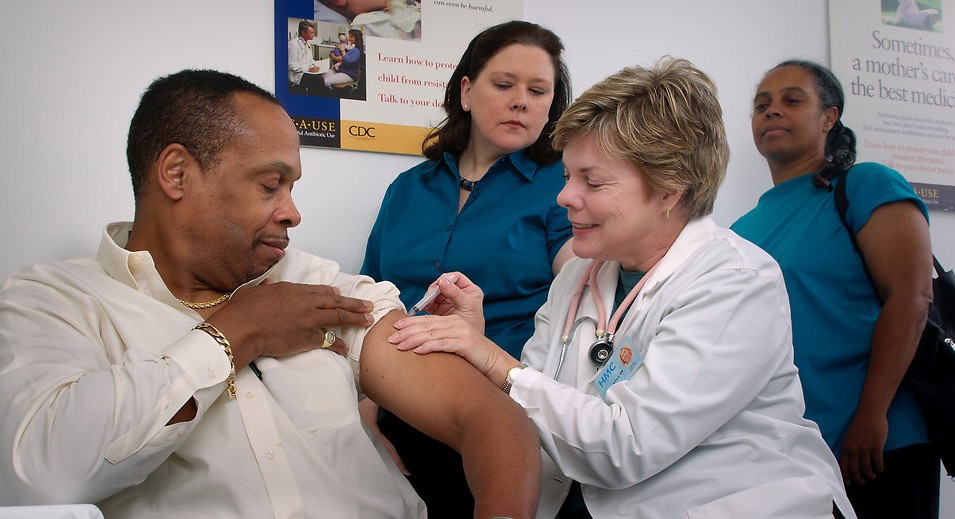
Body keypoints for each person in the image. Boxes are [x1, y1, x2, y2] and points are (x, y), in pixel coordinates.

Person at [0, 69, 542, 518]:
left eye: (293, 187)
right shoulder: (54, 302)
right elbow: (43, 474)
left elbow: (489, 418)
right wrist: (237, 332)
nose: (292, 212)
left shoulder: (316, 284)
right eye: (269, 185)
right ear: (176, 173)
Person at [388, 57, 856, 518]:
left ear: (670, 189)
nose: (564, 196)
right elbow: (529, 412)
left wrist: (494, 359)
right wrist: (475, 345)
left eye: (591, 180)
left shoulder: (735, 282)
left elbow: (625, 446)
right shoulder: (579, 275)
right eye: (569, 175)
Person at [360, 20, 574, 516]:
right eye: (504, 84)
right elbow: (369, 299)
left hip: (509, 411)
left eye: (538, 90)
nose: (521, 100)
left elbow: (583, 278)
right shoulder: (408, 188)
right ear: (467, 90)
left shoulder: (563, 186)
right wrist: (363, 410)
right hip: (401, 403)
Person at [731, 59, 938, 518]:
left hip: (876, 442)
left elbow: (911, 297)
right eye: (761, 105)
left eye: (791, 100)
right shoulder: (742, 228)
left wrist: (872, 414)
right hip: (791, 450)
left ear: (829, 117)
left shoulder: (864, 184)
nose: (772, 112)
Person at [287, 19, 322, 95]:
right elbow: (291, 65)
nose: (314, 34)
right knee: (318, 80)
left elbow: (311, 60)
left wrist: (315, 66)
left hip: (306, 72)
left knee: (321, 77)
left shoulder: (307, 44)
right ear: (303, 33)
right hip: (297, 75)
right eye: (312, 33)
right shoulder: (293, 44)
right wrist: (308, 69)